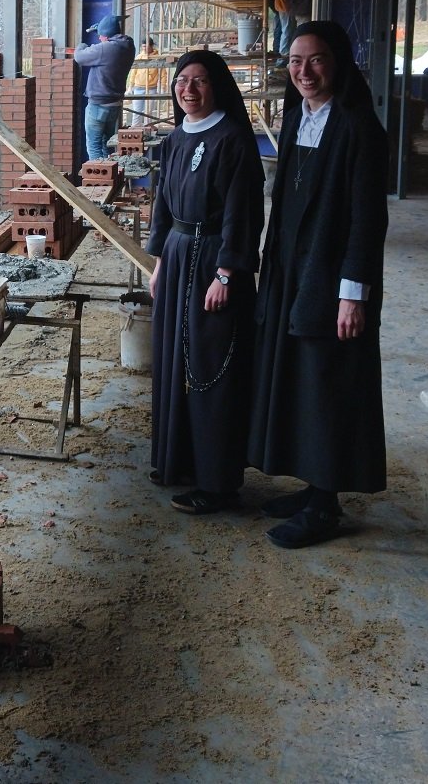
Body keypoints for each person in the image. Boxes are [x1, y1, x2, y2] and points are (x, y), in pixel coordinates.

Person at [247, 20, 388, 549]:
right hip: (291, 272)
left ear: (340, 63)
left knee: (328, 383)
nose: (304, 72)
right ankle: (311, 487)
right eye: (294, 61)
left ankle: (326, 503)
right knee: (297, 378)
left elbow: (367, 220)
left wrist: (353, 293)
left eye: (317, 60)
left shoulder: (358, 127)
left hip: (331, 279)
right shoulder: (296, 119)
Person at [144, 50, 263, 513]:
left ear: (217, 87)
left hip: (214, 260)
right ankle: (176, 461)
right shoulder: (175, 138)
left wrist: (227, 273)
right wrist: (158, 264)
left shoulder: (233, 139)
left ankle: (218, 482)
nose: (187, 89)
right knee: (174, 361)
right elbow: (163, 205)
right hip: (177, 257)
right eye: (181, 81)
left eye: (199, 81)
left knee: (212, 368)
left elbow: (243, 212)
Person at [75, 13, 136, 162]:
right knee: (106, 144)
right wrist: (102, 30)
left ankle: (99, 181)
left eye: (100, 36)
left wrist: (82, 45)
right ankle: (111, 176)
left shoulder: (105, 49)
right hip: (114, 105)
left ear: (107, 36)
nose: (99, 39)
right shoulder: (128, 46)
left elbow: (79, 57)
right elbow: (108, 43)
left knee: (94, 146)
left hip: (98, 105)